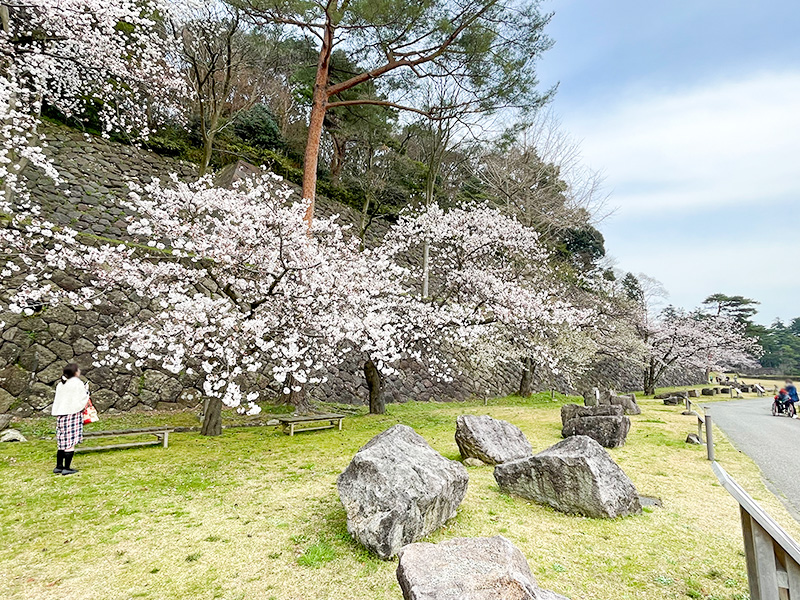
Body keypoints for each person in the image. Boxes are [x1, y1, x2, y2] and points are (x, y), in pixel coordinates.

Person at [51, 363, 89, 475]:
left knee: (62, 441)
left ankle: (59, 466)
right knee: (70, 442)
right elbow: (82, 397)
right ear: (75, 372)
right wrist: (86, 390)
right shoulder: (77, 383)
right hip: (72, 413)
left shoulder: (61, 384)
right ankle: (67, 468)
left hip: (61, 414)